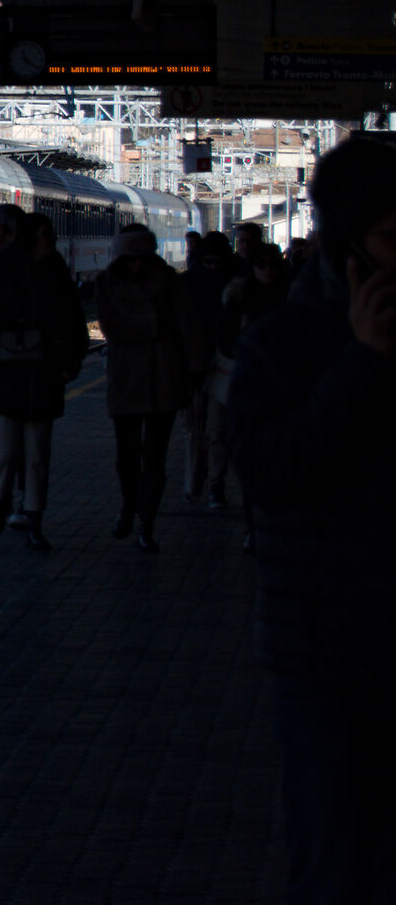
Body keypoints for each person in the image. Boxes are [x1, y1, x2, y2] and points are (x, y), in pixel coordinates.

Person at [230, 134, 396, 905]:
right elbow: (270, 474)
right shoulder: (283, 344)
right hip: (327, 654)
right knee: (335, 863)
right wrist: (363, 361)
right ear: (347, 245)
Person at [0, 207, 83, 550]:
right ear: (33, 238)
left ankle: (34, 516)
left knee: (37, 455)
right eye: (49, 236)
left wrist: (71, 357)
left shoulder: (55, 270)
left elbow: (72, 318)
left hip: (43, 375)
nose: (55, 242)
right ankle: (0, 499)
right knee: (7, 451)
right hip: (6, 373)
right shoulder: (0, 267)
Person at [95, 223, 186, 550]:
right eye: (128, 258)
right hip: (128, 378)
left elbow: (182, 325)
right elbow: (112, 327)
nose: (134, 265)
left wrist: (143, 327)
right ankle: (129, 505)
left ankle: (147, 518)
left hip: (162, 376)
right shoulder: (107, 282)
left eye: (140, 258)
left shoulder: (170, 281)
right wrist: (155, 326)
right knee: (127, 455)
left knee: (156, 457)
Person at [178, 231, 236, 509]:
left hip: (216, 367)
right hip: (198, 368)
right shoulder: (189, 285)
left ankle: (210, 485)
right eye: (208, 262)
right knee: (197, 430)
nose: (213, 268)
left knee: (214, 430)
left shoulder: (233, 288)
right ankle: (198, 484)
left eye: (217, 263)